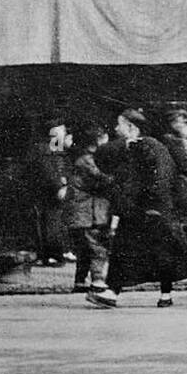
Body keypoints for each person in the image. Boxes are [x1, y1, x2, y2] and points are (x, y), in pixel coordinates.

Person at [88, 109, 187, 309]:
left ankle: (119, 292)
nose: (116, 128)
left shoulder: (152, 147)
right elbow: (103, 157)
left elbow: (160, 178)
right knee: (143, 251)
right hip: (142, 209)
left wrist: (153, 205)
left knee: (151, 252)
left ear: (131, 127)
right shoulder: (133, 147)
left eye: (120, 124)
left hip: (150, 209)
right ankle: (126, 293)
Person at [65, 126, 115, 295]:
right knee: (96, 247)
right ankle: (97, 280)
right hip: (88, 212)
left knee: (85, 249)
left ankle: (80, 282)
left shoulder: (84, 159)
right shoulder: (89, 161)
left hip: (84, 211)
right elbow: (103, 179)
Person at [28, 118, 74, 266]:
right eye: (62, 130)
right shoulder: (45, 148)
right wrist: (59, 185)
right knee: (51, 222)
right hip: (49, 191)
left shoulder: (56, 147)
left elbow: (63, 167)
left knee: (56, 221)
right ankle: (52, 254)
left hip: (58, 189)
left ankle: (58, 252)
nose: (65, 132)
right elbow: (47, 169)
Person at [163, 107, 187, 254]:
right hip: (182, 182)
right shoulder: (172, 140)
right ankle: (181, 248)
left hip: (186, 181)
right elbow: (185, 162)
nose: (181, 124)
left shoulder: (184, 136)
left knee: (186, 216)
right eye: (177, 121)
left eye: (183, 121)